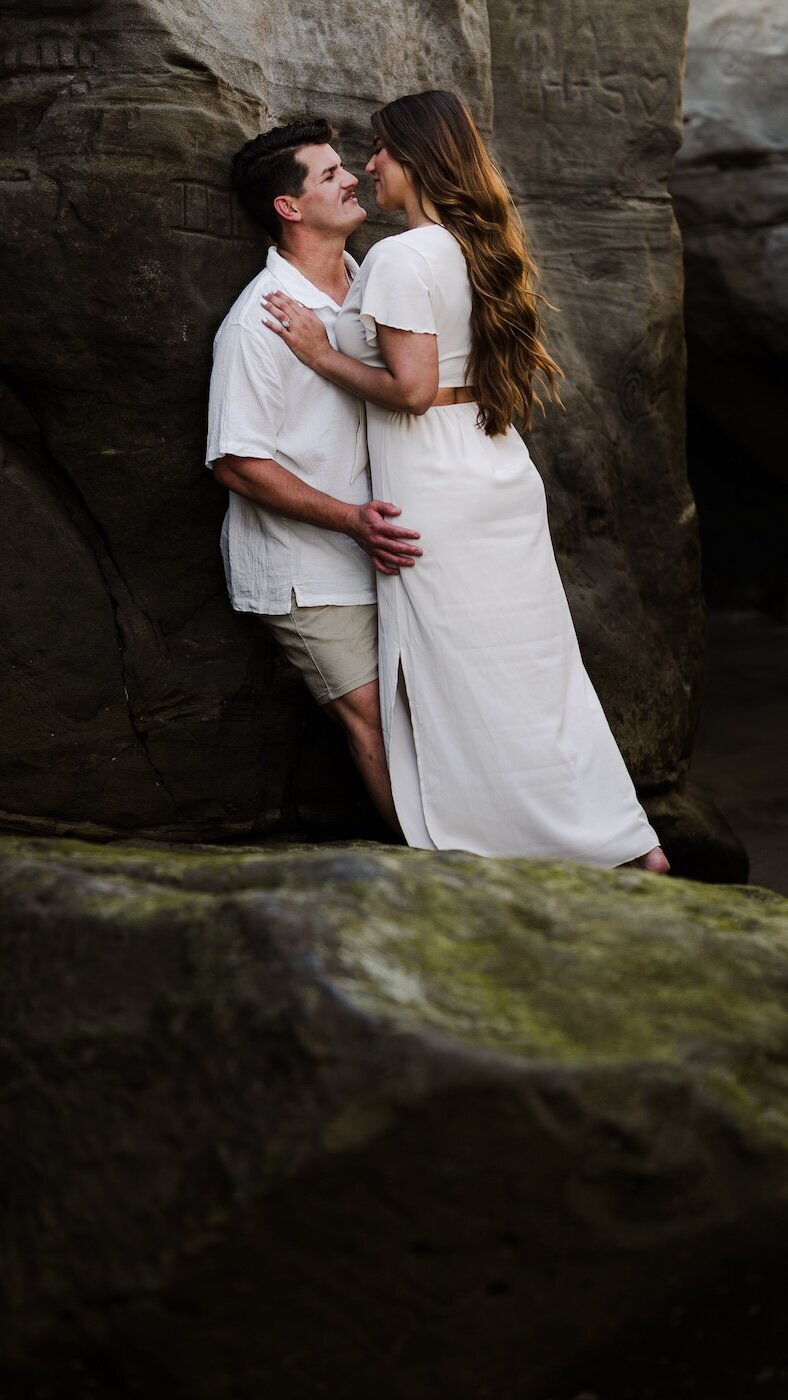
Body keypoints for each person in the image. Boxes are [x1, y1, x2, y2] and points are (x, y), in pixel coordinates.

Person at [261, 92, 669, 872]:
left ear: (413, 158)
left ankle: (510, 850)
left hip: (440, 484)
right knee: (539, 675)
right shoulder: (472, 244)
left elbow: (412, 390)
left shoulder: (404, 255)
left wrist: (320, 354)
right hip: (495, 467)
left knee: (472, 683)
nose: (370, 165)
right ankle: (631, 844)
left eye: (379, 149)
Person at [206, 119, 424, 833]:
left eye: (344, 167)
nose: (350, 177)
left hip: (387, 551)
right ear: (289, 208)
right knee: (378, 724)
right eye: (329, 174)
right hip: (309, 570)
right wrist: (352, 522)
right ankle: (450, 880)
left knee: (430, 712)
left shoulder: (371, 286)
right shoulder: (254, 325)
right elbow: (239, 465)